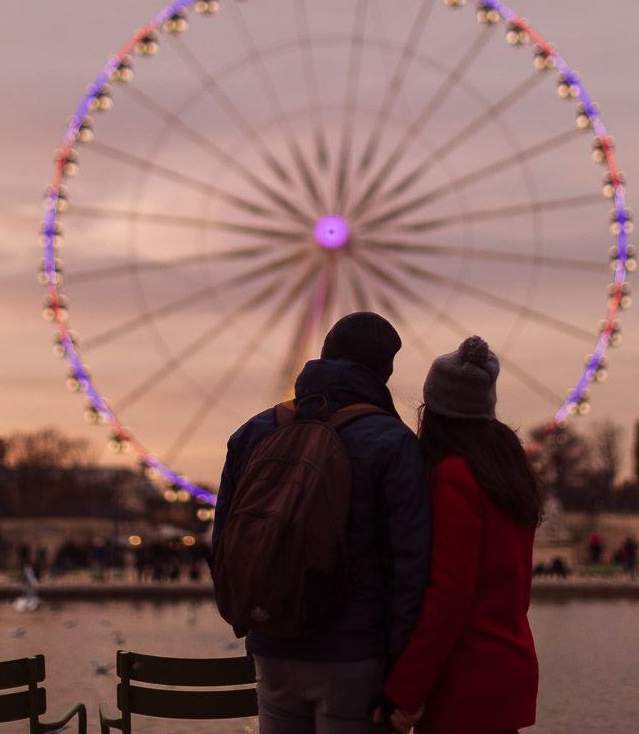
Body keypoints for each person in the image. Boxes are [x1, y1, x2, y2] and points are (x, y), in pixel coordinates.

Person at [212, 311, 430, 734]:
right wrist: (403, 669)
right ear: (382, 372)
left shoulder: (253, 433)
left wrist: (250, 623)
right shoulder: (392, 441)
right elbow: (409, 566)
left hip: (271, 640)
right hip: (354, 653)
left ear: (324, 354)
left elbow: (224, 543)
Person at [375, 336, 540, 734]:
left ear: (434, 409)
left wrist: (404, 691)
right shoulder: (511, 470)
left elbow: (450, 597)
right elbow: (521, 592)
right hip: (509, 670)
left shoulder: (454, 476)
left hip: (464, 683)